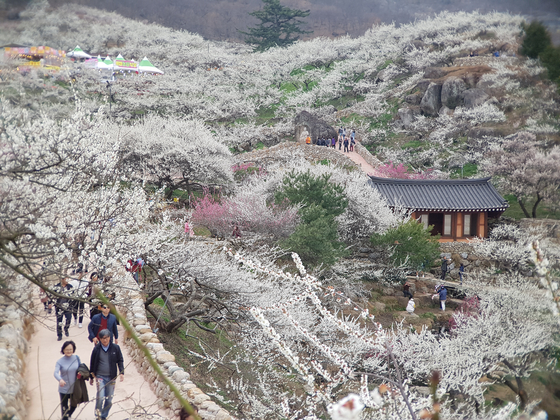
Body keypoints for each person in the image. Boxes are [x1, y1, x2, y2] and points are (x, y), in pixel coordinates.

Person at [89, 329, 124, 420]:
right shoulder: (96, 349)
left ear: (110, 338)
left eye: (107, 337)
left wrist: (121, 372)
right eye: (103, 338)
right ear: (99, 339)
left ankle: (103, 415)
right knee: (100, 397)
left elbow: (120, 360)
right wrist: (91, 377)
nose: (105, 340)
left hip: (111, 377)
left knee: (109, 399)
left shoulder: (115, 348)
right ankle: (98, 415)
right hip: (100, 377)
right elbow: (92, 362)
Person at [54, 340, 81, 420]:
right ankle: (65, 417)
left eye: (70, 349)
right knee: (64, 408)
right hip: (64, 388)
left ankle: (67, 416)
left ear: (73, 349)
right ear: (63, 350)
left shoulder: (76, 358)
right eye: (67, 349)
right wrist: (60, 380)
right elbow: (55, 373)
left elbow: (80, 368)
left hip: (74, 387)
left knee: (74, 405)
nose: (69, 351)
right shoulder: (60, 361)